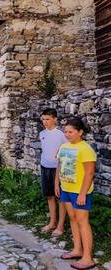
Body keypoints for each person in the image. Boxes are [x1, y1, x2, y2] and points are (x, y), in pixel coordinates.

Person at [56, 117, 97, 270]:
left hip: (80, 192)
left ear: (80, 132)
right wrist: (57, 184)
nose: (67, 134)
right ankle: (77, 249)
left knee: (82, 221)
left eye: (71, 132)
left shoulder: (86, 149)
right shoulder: (64, 146)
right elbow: (59, 167)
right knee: (72, 219)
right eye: (65, 131)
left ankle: (88, 258)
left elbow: (90, 173)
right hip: (66, 189)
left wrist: (82, 194)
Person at [39, 108, 67, 237]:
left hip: (58, 169)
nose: (45, 122)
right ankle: (52, 222)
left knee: (61, 198)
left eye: (48, 119)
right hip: (45, 167)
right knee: (49, 196)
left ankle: (60, 226)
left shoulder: (61, 134)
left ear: (55, 119)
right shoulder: (42, 133)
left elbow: (66, 153)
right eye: (43, 119)